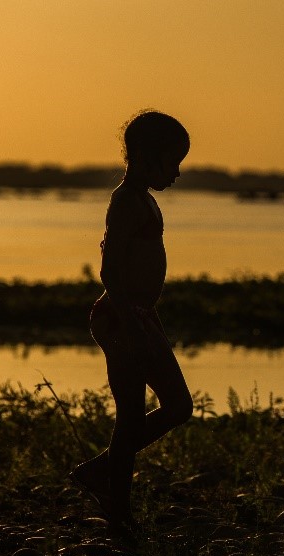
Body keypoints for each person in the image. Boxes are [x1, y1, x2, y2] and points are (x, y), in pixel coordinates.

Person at [70, 110, 194, 530]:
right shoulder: (124, 201)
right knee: (132, 415)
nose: (176, 173)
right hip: (122, 317)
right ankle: (118, 511)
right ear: (144, 155)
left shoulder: (145, 199)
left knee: (177, 406)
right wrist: (131, 324)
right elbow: (109, 273)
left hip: (141, 315)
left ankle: (99, 473)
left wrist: (146, 321)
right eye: (172, 161)